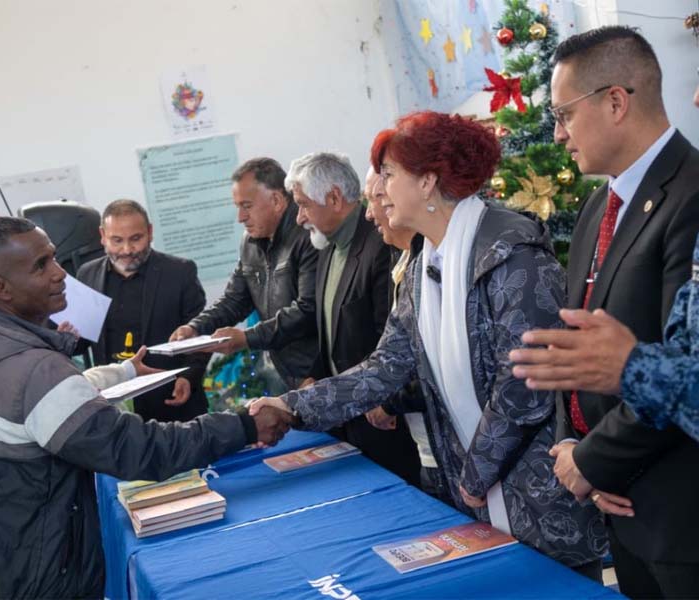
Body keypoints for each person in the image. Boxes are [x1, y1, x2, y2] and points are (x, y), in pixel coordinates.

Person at [251, 111, 607, 574]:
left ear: (427, 182)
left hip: (537, 498)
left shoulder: (512, 254)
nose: (378, 189)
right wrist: (291, 406)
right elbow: (383, 367)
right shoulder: (423, 268)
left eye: (390, 174)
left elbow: (525, 386)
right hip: (476, 495)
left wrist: (476, 474)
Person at [0, 217, 292, 599]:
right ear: (0, 288)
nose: (60, 274)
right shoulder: (33, 371)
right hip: (24, 579)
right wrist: (244, 425)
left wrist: (125, 370)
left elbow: (41, 404)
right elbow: (140, 448)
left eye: (54, 258)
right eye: (40, 266)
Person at [511, 26, 699, 598]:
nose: (559, 133)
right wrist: (576, 453)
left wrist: (595, 460)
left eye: (564, 114)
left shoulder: (691, 193)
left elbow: (677, 364)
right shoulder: (600, 204)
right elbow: (581, 349)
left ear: (615, 101)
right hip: (617, 504)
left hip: (679, 510)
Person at [286, 150, 424, 487]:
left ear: (333, 198)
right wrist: (314, 375)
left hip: (386, 420)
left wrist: (386, 401)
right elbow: (332, 330)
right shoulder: (328, 247)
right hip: (349, 419)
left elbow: (391, 339)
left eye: (304, 205)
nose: (300, 218)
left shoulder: (380, 245)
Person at [171, 157, 318, 391]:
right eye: (237, 206)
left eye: (247, 206)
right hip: (287, 373)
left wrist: (246, 338)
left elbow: (308, 311)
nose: (240, 217)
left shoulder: (308, 236)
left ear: (278, 200)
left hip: (319, 371)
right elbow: (235, 299)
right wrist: (196, 327)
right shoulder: (250, 241)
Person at [78, 199, 210, 422]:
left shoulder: (180, 272)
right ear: (103, 236)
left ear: (149, 232)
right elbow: (82, 341)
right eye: (117, 241)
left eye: (136, 239)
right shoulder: (87, 274)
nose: (127, 250)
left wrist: (189, 377)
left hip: (172, 399)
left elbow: (201, 334)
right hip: (112, 406)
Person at [361, 167, 445, 499]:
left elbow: (435, 363)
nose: (370, 213)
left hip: (450, 444)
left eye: (377, 198)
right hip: (425, 443)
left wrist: (389, 400)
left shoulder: (433, 263)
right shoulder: (404, 263)